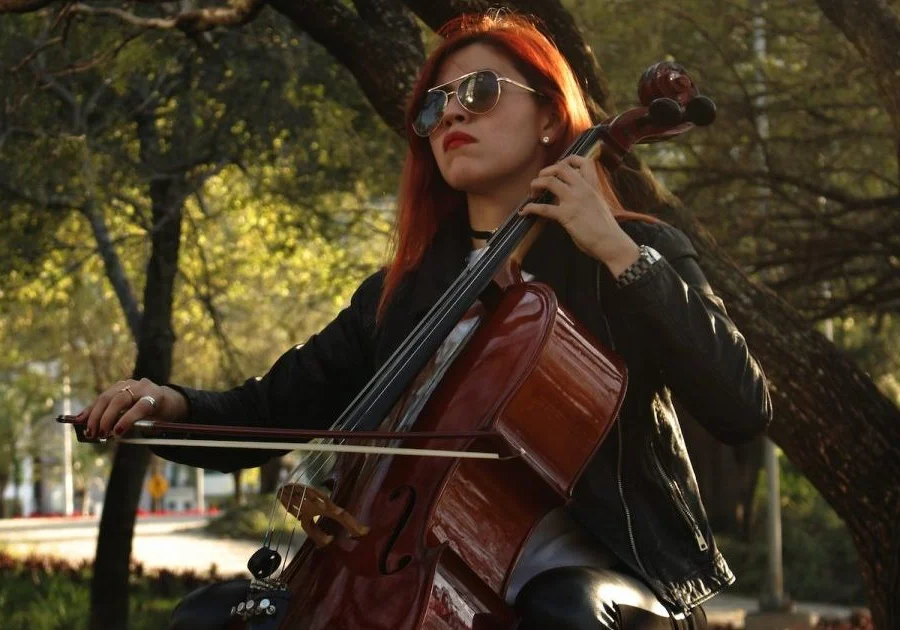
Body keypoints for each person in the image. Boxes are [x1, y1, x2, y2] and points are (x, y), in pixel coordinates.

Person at [75, 12, 772, 630]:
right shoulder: (401, 293)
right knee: (207, 619)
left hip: (606, 581)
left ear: (552, 119)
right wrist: (168, 406)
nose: (450, 116)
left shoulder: (633, 257)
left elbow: (741, 407)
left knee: (563, 611)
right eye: (435, 107)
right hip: (415, 567)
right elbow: (270, 409)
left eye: (480, 92)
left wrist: (614, 247)